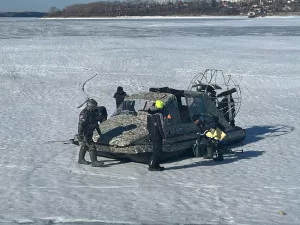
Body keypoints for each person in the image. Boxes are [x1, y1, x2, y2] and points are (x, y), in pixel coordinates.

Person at [77, 98, 104, 167]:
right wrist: (80, 134)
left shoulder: (93, 112)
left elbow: (95, 123)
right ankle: (94, 162)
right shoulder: (84, 113)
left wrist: (99, 132)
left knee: (84, 145)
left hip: (90, 131)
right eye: (94, 106)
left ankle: (81, 159)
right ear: (90, 106)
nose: (95, 108)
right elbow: (81, 124)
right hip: (85, 132)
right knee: (92, 146)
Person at [146, 100, 166, 171]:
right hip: (158, 135)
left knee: (156, 149)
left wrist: (150, 134)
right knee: (157, 150)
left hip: (152, 134)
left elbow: (148, 126)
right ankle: (152, 165)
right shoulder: (159, 114)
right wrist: (164, 136)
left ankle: (156, 164)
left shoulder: (150, 113)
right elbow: (161, 126)